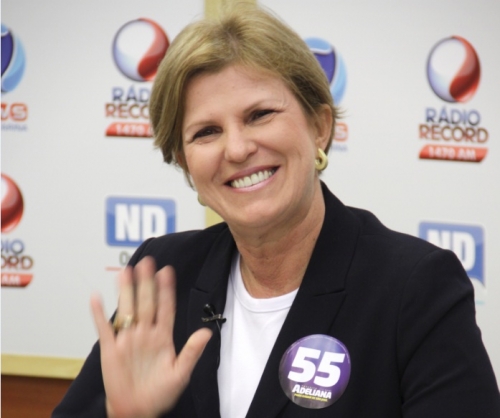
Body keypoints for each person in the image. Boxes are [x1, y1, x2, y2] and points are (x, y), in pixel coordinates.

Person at [53, 4, 500, 418]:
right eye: (206, 132)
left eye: (260, 114)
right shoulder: (163, 273)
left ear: (320, 126)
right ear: (186, 164)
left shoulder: (415, 287)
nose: (237, 148)